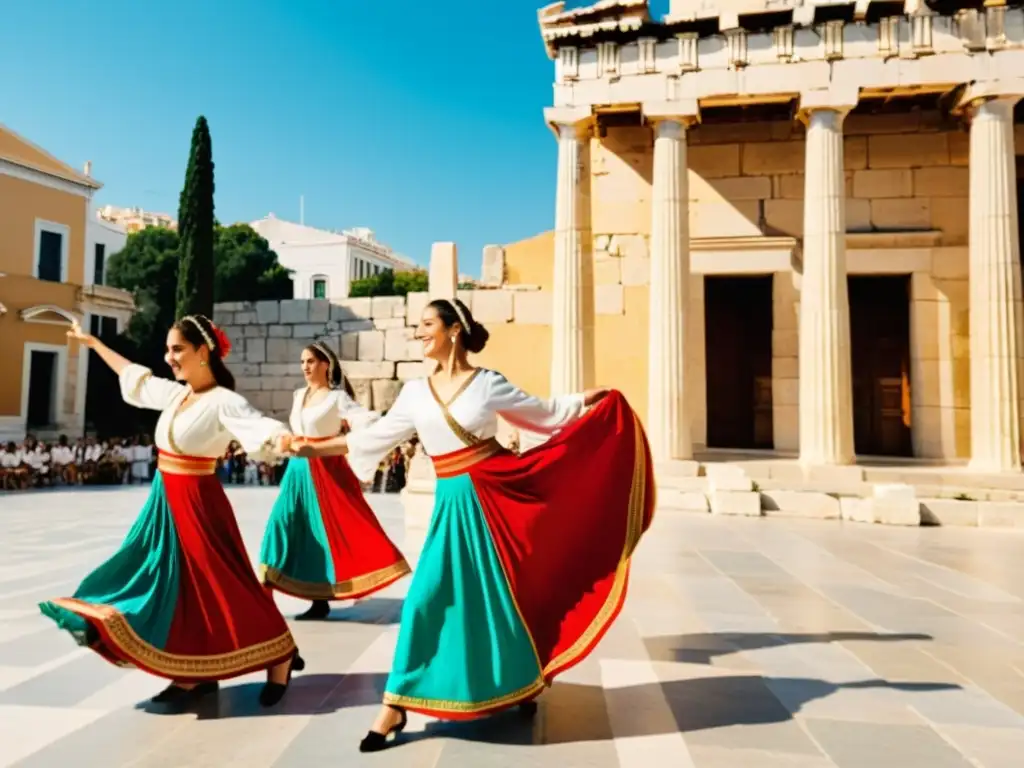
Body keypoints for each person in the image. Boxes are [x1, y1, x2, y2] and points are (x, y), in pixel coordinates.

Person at [282, 298, 655, 752]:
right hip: (452, 505)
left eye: (426, 325)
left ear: (453, 330)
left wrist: (583, 401)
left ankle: (520, 682)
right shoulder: (415, 392)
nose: (418, 333)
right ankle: (395, 705)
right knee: (423, 599)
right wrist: (312, 449)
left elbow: (544, 412)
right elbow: (370, 437)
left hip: (498, 497)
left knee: (503, 596)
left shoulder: (488, 384)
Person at [39, 314, 304, 710]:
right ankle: (193, 674)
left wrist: (284, 438)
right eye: (167, 349)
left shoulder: (224, 401)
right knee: (174, 586)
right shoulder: (177, 396)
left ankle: (280, 655)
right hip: (165, 502)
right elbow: (135, 377)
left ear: (203, 352)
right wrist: (93, 343)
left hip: (199, 504)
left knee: (222, 585)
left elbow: (259, 426)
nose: (169, 357)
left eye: (177, 349)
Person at [259, 341, 410, 621]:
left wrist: (343, 440)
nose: (305, 366)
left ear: (325, 364)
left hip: (326, 469)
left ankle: (319, 600)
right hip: (297, 471)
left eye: (311, 361)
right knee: (281, 524)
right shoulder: (298, 395)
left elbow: (363, 420)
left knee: (322, 533)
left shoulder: (336, 398)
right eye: (303, 361)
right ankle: (266, 588)